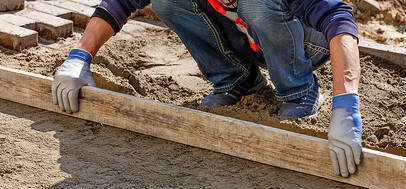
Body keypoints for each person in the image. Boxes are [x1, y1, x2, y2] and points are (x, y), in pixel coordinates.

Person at [52, 0, 362, 177]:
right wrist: (80, 55)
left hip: (305, 40)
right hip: (249, 35)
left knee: (257, 4)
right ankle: (238, 80)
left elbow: (339, 18)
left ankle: (299, 89)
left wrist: (346, 104)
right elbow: (120, 3)